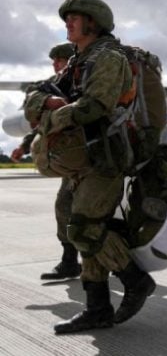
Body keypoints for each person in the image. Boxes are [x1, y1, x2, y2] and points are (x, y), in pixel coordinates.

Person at [25, 0, 155, 333]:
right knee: (83, 229)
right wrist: (48, 101)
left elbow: (94, 106)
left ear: (93, 23)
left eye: (74, 18)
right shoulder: (77, 62)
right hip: (84, 159)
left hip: (105, 159)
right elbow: (34, 96)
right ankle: (97, 308)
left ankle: (135, 280)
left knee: (84, 229)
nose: (68, 23)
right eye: (67, 18)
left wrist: (50, 118)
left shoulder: (108, 58)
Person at [12, 42, 81, 281]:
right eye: (54, 61)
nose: (55, 65)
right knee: (65, 207)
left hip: (93, 156)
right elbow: (45, 124)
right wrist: (23, 146)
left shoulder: (85, 81)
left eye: (59, 60)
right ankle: (70, 261)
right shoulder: (55, 86)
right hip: (73, 159)